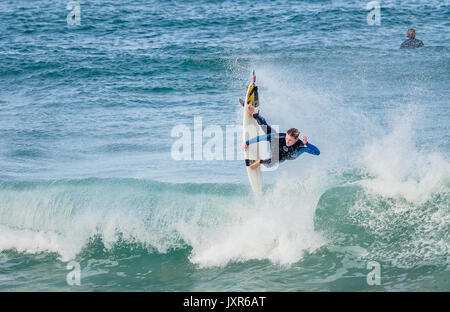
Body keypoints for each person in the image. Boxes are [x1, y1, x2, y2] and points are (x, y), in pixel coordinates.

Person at [242, 104, 320, 170]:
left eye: (290, 140)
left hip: (285, 156)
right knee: (266, 128)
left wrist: (307, 143)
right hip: (277, 146)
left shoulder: (301, 145)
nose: (287, 141)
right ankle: (254, 114)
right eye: (287, 138)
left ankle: (260, 162)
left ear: (296, 139)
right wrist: (247, 142)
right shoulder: (281, 137)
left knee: (271, 163)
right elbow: (263, 137)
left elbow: (317, 153)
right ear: (286, 134)